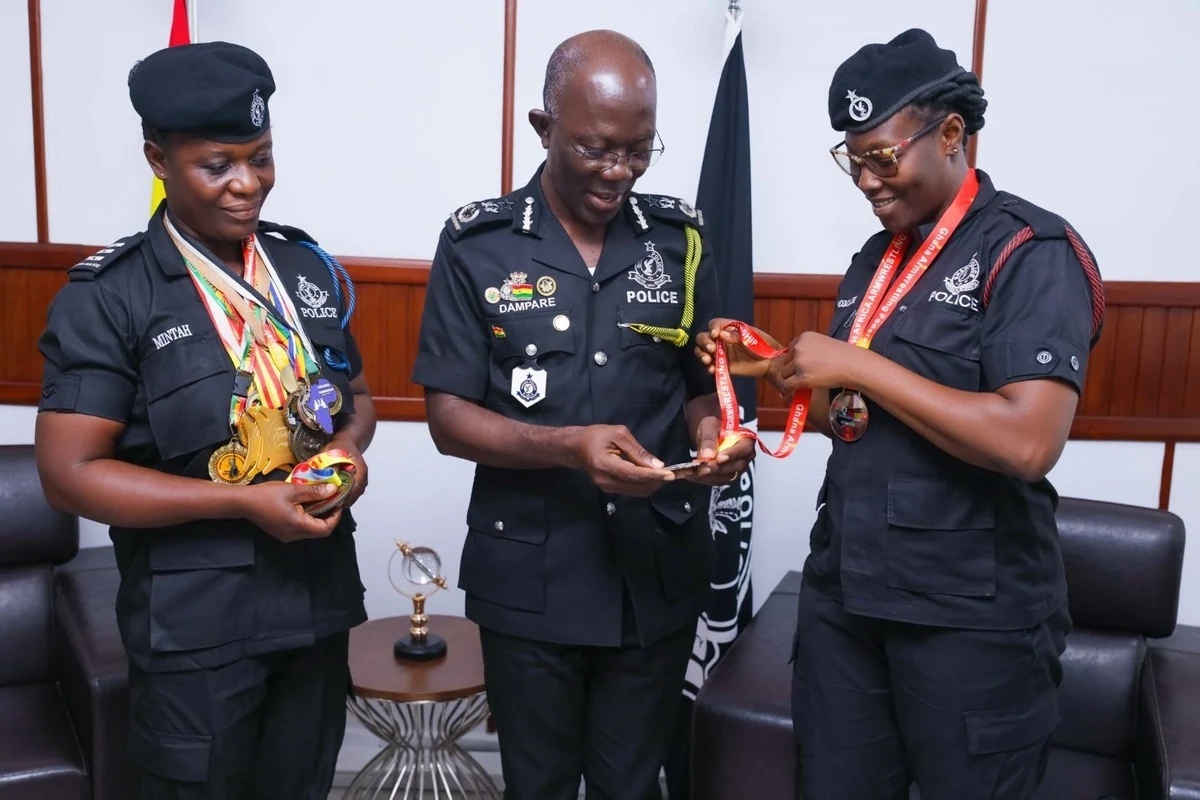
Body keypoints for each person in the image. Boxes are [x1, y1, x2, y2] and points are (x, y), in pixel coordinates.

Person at [696, 28, 1105, 800]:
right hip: (848, 601)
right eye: (853, 160)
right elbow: (861, 412)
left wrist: (856, 363)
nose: (866, 181)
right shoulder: (877, 258)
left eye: (882, 156)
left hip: (970, 623)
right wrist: (764, 371)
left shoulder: (1029, 251)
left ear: (951, 134)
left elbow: (1027, 441)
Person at [411, 29, 755, 800]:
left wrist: (712, 429)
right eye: (597, 149)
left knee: (633, 784)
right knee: (538, 785)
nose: (618, 173)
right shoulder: (479, 245)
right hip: (530, 573)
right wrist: (571, 447)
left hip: (655, 572)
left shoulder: (681, 239)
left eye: (638, 150)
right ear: (544, 127)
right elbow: (448, 417)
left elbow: (705, 381)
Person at [34, 41, 375, 799]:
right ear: (159, 159)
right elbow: (67, 474)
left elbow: (353, 400)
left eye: (261, 156)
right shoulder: (108, 296)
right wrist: (244, 501)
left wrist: (347, 451)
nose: (247, 184)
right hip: (196, 636)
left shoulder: (304, 270)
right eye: (218, 165)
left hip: (314, 610)